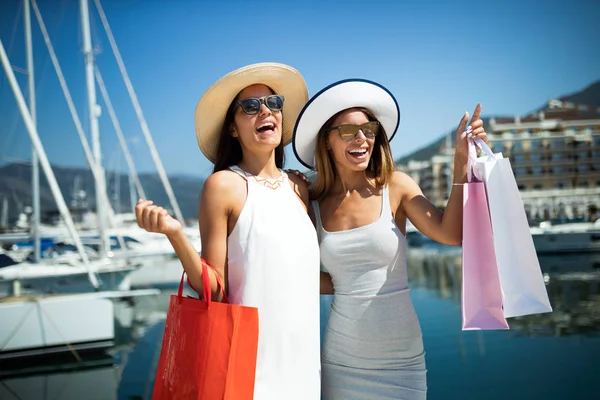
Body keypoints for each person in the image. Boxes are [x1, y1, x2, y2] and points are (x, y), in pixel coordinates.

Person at [292, 78, 488, 400]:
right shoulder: (310, 201)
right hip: (343, 360)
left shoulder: (396, 186)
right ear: (326, 141)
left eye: (369, 129)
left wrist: (460, 165)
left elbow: (451, 234)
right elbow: (301, 273)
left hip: (402, 359)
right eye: (347, 131)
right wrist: (346, 282)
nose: (361, 138)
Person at [136, 62, 321, 399]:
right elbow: (215, 290)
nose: (266, 110)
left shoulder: (299, 186)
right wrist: (176, 234)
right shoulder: (223, 186)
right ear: (233, 129)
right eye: (250, 106)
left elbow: (299, 274)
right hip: (249, 362)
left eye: (273, 102)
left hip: (305, 360)